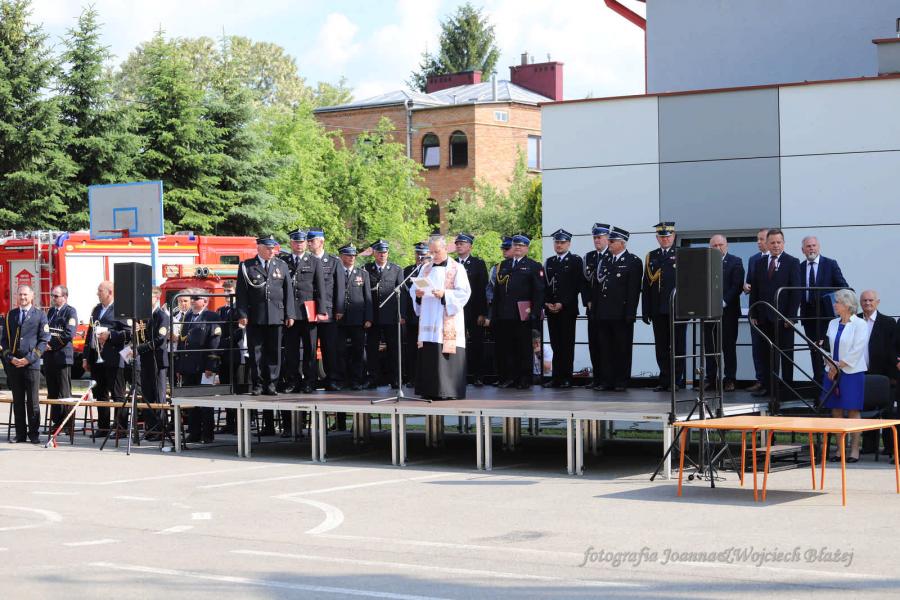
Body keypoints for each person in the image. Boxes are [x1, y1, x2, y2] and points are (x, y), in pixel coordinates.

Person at [410, 235, 472, 399]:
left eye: (436, 251)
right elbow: (414, 289)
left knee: (445, 351)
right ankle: (429, 389)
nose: (433, 255)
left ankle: (448, 390)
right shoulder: (425, 268)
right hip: (429, 316)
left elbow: (464, 292)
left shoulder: (457, 268)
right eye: (431, 252)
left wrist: (445, 294)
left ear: (445, 249)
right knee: (429, 352)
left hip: (447, 316)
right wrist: (417, 294)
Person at [235, 235, 295, 396]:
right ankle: (258, 384)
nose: (271, 251)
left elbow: (288, 292)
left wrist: (290, 314)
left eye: (272, 248)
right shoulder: (247, 266)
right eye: (268, 248)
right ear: (259, 248)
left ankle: (272, 384)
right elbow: (241, 293)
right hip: (256, 315)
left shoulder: (281, 265)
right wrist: (242, 313)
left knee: (274, 351)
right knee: (256, 352)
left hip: (276, 314)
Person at [749, 229, 801, 398]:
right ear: (767, 244)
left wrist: (791, 317)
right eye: (772, 242)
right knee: (766, 354)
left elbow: (796, 292)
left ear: (783, 243)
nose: (776, 245)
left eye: (779, 242)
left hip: (784, 319)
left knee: (786, 354)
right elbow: (755, 290)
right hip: (763, 318)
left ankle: (787, 389)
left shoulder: (792, 262)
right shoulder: (759, 263)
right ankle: (768, 387)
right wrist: (753, 313)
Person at [488, 234, 545, 389]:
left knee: (523, 348)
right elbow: (497, 292)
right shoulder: (503, 265)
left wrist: (535, 312)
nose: (518, 248)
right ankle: (508, 377)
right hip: (504, 314)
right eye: (515, 245)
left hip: (522, 314)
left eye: (521, 245)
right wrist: (494, 314)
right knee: (506, 347)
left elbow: (539, 291)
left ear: (527, 248)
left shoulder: (533, 266)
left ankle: (524, 378)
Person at [589, 227, 642, 391]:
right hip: (603, 313)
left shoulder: (633, 261)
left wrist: (630, 313)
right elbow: (597, 288)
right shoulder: (604, 261)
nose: (609, 244)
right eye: (609, 241)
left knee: (622, 348)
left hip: (621, 314)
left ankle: (621, 381)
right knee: (605, 349)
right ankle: (606, 380)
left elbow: (633, 291)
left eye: (612, 241)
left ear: (622, 243)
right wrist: (595, 311)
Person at [821, 289, 869, 463]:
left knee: (853, 410)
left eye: (838, 302)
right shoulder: (833, 323)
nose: (835, 305)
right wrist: (829, 362)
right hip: (831, 371)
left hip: (851, 372)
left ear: (848, 305)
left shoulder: (860, 324)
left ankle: (854, 450)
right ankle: (840, 450)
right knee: (836, 410)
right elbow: (827, 347)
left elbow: (857, 350)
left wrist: (838, 365)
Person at [1, 285, 49, 443]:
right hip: (14, 365)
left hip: (31, 365)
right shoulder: (11, 315)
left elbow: (44, 340)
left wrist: (29, 358)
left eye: (25, 295)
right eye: (20, 294)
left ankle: (34, 434)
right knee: (18, 401)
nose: (22, 297)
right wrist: (10, 358)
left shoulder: (40, 315)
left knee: (33, 402)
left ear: (32, 296)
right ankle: (20, 434)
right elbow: (4, 340)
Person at [281, 228, 326, 394]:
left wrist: (321, 310)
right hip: (291, 313)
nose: (299, 245)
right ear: (291, 243)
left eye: (301, 242)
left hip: (309, 312)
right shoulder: (283, 261)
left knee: (310, 349)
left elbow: (320, 288)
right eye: (296, 242)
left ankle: (309, 381)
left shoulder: (314, 261)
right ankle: (292, 381)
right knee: (291, 350)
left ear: (306, 243)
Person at [83, 280, 130, 436]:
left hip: (114, 358)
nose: (97, 293)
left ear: (110, 292)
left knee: (117, 394)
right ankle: (102, 427)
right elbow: (90, 333)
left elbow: (128, 333)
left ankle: (120, 428)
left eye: (100, 291)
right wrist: (86, 357)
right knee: (100, 393)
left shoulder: (121, 309)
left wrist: (110, 335)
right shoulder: (96, 309)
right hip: (97, 357)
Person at [799, 236, 848, 383]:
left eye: (814, 245)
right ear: (803, 250)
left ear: (818, 247)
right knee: (814, 349)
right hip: (808, 315)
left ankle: (832, 381)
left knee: (829, 348)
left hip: (827, 316)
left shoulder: (830, 264)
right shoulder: (800, 267)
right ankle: (818, 382)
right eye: (808, 246)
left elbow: (843, 286)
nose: (811, 248)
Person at [642, 222, 685, 391]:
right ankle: (664, 379)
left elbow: (688, 284)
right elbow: (646, 285)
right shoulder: (651, 256)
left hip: (677, 309)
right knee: (661, 347)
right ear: (657, 238)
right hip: (657, 309)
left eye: (668, 236)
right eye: (662, 236)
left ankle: (676, 380)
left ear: (673, 236)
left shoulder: (681, 254)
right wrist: (645, 310)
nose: (665, 239)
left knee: (678, 346)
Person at [176, 290, 221, 443]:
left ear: (205, 301)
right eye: (192, 298)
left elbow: (214, 342)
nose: (193, 301)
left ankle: (208, 434)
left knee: (206, 401)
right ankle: (194, 432)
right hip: (188, 366)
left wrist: (211, 365)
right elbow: (182, 342)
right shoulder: (187, 316)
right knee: (191, 401)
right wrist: (179, 366)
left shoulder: (211, 316)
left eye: (196, 298)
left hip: (203, 366)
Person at [857, 290, 898, 454]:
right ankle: (868, 446)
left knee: (887, 412)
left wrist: (892, 376)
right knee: (866, 408)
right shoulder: (855, 320)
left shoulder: (888, 322)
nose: (867, 303)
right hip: (861, 373)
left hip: (884, 376)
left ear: (877, 302)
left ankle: (889, 447)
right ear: (860, 303)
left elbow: (892, 349)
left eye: (871, 300)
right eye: (864, 300)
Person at [543, 228, 583, 388]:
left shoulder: (575, 261)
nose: (559, 245)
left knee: (566, 344)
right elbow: (545, 286)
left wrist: (562, 303)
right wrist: (546, 303)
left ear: (568, 244)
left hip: (567, 309)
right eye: (556, 242)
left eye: (562, 242)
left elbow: (576, 286)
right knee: (555, 344)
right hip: (552, 309)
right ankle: (556, 377)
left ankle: (566, 377)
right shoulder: (550, 262)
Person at [704, 235, 745, 392]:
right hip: (708, 312)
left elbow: (737, 285)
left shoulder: (736, 261)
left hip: (729, 312)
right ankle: (711, 379)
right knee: (710, 347)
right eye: (714, 245)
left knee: (728, 347)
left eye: (720, 244)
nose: (718, 247)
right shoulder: (705, 262)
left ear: (726, 245)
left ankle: (730, 379)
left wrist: (723, 302)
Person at [308, 229, 345, 391]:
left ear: (321, 242)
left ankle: (333, 379)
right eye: (308, 241)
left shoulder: (333, 261)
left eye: (312, 241)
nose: (309, 244)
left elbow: (340, 287)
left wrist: (339, 308)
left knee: (329, 347)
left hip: (328, 310)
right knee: (310, 347)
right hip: (310, 309)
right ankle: (310, 380)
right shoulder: (307, 260)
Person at [364, 239, 403, 389]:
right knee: (372, 349)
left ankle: (395, 378)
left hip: (391, 316)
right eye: (379, 252)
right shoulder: (366, 269)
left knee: (393, 348)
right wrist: (367, 316)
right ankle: (373, 378)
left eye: (385, 252)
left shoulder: (396, 270)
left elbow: (402, 294)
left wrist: (401, 314)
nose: (382, 255)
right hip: (373, 316)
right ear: (374, 253)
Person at [454, 233, 489, 386]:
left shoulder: (478, 264)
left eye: (462, 243)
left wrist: (482, 313)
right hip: (456, 311)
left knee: (477, 344)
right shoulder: (452, 264)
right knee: (457, 344)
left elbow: (482, 290)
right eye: (457, 243)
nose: (459, 246)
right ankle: (459, 375)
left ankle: (478, 375)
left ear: (470, 246)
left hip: (474, 310)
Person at [337, 244, 372, 391]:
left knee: (358, 351)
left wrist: (368, 318)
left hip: (358, 319)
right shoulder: (336, 272)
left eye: (353, 255)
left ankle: (356, 380)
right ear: (341, 256)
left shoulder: (362, 274)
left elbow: (368, 298)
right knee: (340, 351)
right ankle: (342, 379)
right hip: (340, 319)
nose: (352, 258)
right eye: (348, 255)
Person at [137, 286, 169, 441]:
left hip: (157, 360)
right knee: (147, 395)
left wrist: (141, 348)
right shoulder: (144, 316)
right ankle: (150, 428)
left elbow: (160, 339)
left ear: (156, 298)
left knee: (158, 395)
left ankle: (160, 429)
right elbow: (140, 336)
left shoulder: (162, 316)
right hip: (145, 360)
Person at [44, 285, 77, 430]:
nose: (53, 298)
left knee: (64, 392)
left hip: (62, 356)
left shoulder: (70, 311)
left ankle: (67, 423)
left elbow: (69, 333)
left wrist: (51, 345)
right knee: (52, 391)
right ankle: (56, 422)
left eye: (56, 296)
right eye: (52, 295)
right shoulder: (51, 311)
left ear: (65, 297)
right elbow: (45, 330)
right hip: (49, 356)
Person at [583, 223, 610, 389]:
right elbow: (584, 282)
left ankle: (606, 378)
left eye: (599, 237)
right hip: (592, 308)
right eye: (595, 238)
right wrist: (587, 300)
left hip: (606, 308)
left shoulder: (611, 256)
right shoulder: (590, 257)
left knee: (605, 345)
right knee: (593, 344)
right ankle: (597, 377)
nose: (597, 240)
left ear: (607, 238)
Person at [217, 279, 245, 433]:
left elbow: (239, 331)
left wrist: (225, 341)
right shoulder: (221, 310)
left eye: (229, 291)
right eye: (225, 291)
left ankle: (239, 423)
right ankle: (229, 422)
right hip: (224, 353)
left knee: (237, 388)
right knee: (226, 388)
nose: (226, 294)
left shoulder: (239, 310)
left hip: (235, 351)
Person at [744, 228, 770, 392]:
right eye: (757, 239)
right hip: (756, 310)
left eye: (761, 239)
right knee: (757, 347)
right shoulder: (753, 259)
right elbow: (749, 282)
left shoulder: (779, 260)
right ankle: (760, 380)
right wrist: (746, 287)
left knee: (770, 348)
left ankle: (772, 382)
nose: (758, 242)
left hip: (771, 312)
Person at [486, 236, 513, 384]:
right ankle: (502, 376)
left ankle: (514, 377)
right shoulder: (496, 268)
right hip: (499, 312)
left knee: (513, 346)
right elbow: (490, 289)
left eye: (507, 249)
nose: (504, 252)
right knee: (500, 346)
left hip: (514, 313)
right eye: (503, 249)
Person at [402, 242, 430, 384]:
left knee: (426, 349)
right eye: (418, 254)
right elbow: (403, 295)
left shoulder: (431, 271)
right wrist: (402, 315)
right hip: (411, 316)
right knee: (411, 348)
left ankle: (425, 377)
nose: (420, 258)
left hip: (427, 316)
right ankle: (412, 377)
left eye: (423, 255)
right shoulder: (408, 270)